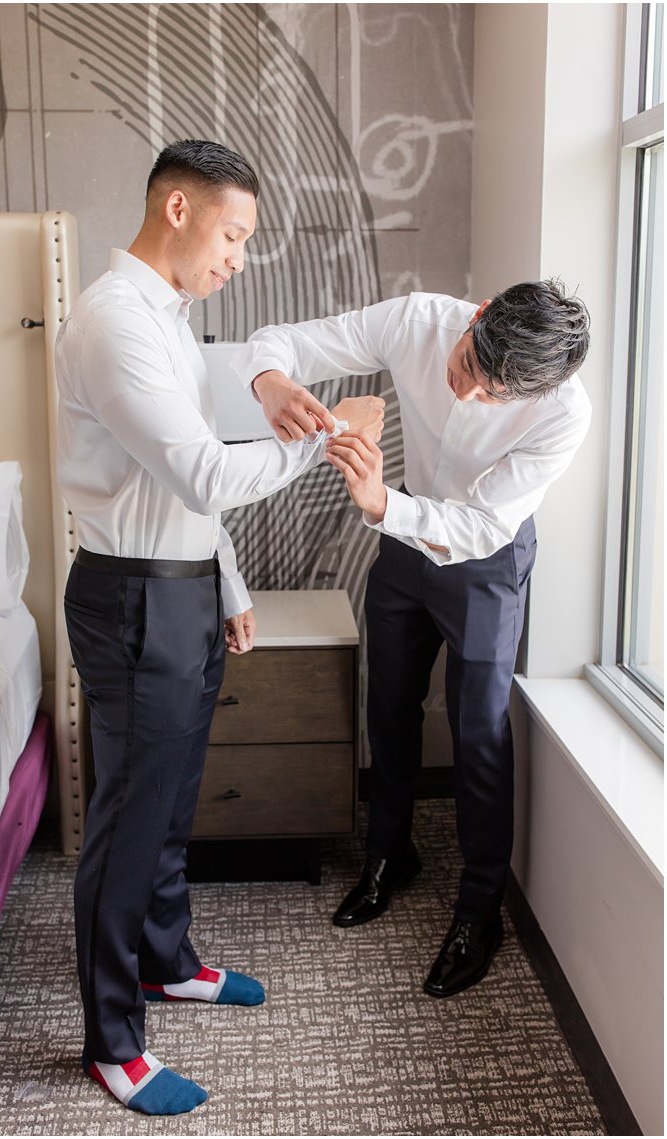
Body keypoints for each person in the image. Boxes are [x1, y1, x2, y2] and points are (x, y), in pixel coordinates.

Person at [55, 138, 384, 1116]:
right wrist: (332, 435)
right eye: (231, 233)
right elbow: (203, 475)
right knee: (125, 821)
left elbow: (182, 479)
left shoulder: (169, 320)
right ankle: (112, 1041)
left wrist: (227, 580)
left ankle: (165, 960)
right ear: (176, 209)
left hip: (181, 584)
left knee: (169, 800)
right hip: (129, 598)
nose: (237, 255)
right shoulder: (114, 323)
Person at [237, 280, 590, 998]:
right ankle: (388, 856)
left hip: (483, 557)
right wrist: (270, 381)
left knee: (479, 731)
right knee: (388, 703)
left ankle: (479, 910)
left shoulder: (566, 414)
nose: (468, 399)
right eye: (467, 370)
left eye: (495, 397)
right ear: (480, 314)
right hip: (400, 542)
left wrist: (380, 503)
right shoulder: (416, 320)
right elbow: (282, 338)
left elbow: (485, 524)